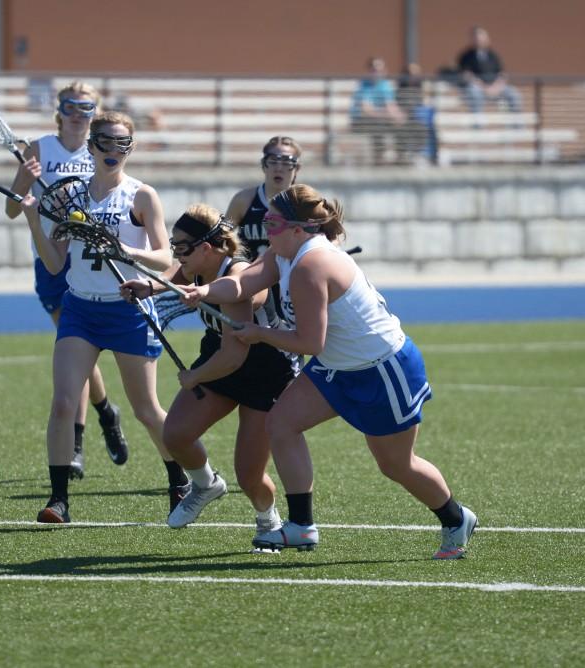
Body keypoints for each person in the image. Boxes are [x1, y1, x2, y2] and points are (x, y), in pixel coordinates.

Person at [180, 184, 477, 559]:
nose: (263, 228)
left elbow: (309, 343)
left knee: (396, 464)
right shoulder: (282, 253)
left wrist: (258, 334)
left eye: (272, 221)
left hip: (382, 369)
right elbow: (242, 283)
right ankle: (301, 527)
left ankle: (455, 518)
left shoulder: (310, 266)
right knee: (281, 424)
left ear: (298, 229)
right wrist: (202, 292)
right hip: (338, 366)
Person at [19, 110, 193, 524]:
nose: (114, 151)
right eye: (107, 142)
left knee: (147, 409)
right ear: (92, 145)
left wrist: (124, 250)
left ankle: (179, 478)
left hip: (127, 309)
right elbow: (56, 262)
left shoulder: (141, 196)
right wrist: (32, 219)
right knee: (63, 403)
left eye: (123, 144)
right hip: (80, 308)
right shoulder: (71, 196)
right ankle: (59, 499)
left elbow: (165, 256)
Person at [119, 204, 300, 543]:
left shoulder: (237, 279)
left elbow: (234, 356)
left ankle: (268, 521)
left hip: (265, 369)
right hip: (221, 354)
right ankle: (206, 484)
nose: (177, 255)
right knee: (175, 434)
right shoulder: (200, 266)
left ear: (206, 247)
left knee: (248, 473)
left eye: (182, 248)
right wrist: (150, 286)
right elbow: (181, 275)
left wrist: (195, 377)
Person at [4, 82, 127, 481]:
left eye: (87, 107)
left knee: (80, 348)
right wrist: (24, 179)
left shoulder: (99, 150)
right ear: (59, 110)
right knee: (73, 344)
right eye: (71, 106)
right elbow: (11, 208)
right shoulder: (39, 149)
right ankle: (97, 421)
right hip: (52, 257)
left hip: (90, 257)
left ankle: (87, 432)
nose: (78, 113)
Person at [224, 135, 301, 317]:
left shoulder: (304, 204)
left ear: (297, 168)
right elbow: (222, 236)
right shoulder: (243, 200)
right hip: (250, 285)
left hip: (290, 285)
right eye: (273, 161)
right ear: (263, 165)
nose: (279, 167)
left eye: (287, 162)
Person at [349, 57, 407, 165]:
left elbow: (391, 106)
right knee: (377, 125)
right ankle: (379, 159)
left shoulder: (385, 85)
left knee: (402, 124)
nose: (378, 73)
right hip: (360, 121)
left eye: (380, 70)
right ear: (369, 71)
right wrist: (387, 115)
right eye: (374, 70)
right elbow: (366, 110)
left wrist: (399, 116)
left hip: (380, 119)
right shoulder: (363, 85)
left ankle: (401, 157)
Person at [456, 26, 522, 114]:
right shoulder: (466, 56)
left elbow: (502, 74)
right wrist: (484, 87)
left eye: (482, 37)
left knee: (513, 93)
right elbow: (467, 75)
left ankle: (517, 126)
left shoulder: (493, 55)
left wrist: (496, 87)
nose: (480, 40)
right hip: (478, 88)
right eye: (477, 38)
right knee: (474, 93)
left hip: (495, 88)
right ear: (472, 39)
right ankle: (477, 126)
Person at [395, 63, 437, 164]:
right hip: (404, 119)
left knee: (426, 129)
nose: (413, 76)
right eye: (410, 74)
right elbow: (397, 106)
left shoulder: (419, 90)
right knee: (405, 129)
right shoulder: (400, 90)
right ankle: (404, 156)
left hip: (416, 119)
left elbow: (425, 104)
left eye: (416, 74)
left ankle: (424, 156)